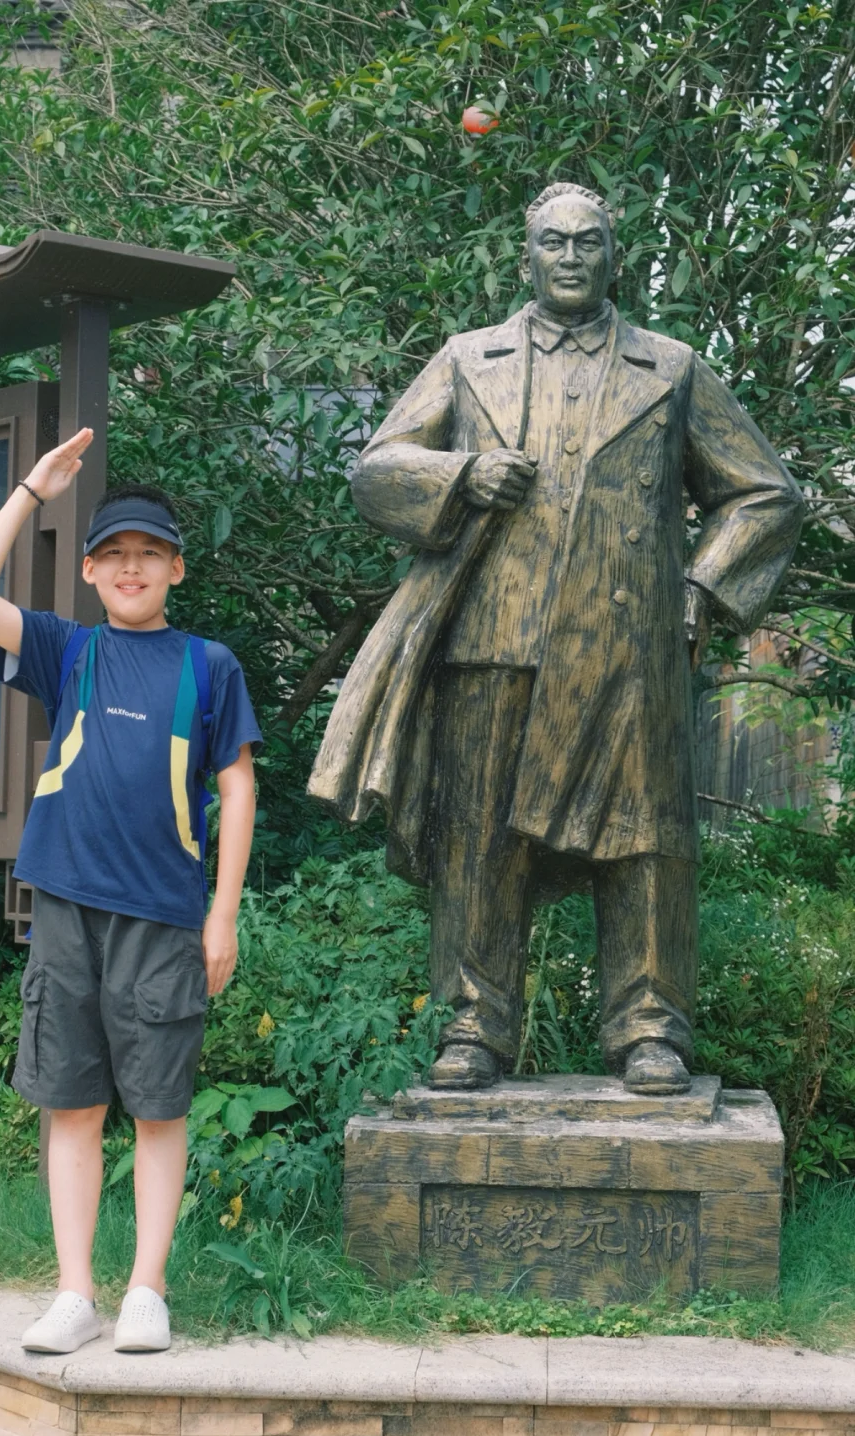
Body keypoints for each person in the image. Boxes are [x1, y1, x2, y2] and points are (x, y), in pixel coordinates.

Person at [310, 182, 803, 1095]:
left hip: (628, 648)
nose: (571, 257)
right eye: (554, 242)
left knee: (646, 841)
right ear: (526, 256)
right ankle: (474, 1024)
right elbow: (376, 470)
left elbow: (765, 494)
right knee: (476, 838)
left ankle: (650, 1027)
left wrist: (702, 587)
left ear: (615, 256)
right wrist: (460, 474)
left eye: (588, 242)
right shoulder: (469, 360)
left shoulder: (672, 368)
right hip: (494, 637)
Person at [0, 428, 261, 1354]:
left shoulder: (208, 665)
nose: (132, 567)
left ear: (175, 569)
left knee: (160, 1107)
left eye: (149, 554)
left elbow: (239, 787)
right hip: (67, 909)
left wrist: (223, 913)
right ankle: (75, 1294)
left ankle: (146, 1292)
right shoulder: (67, 651)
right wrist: (31, 491)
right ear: (89, 570)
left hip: (164, 917)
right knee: (73, 1106)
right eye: (114, 554)